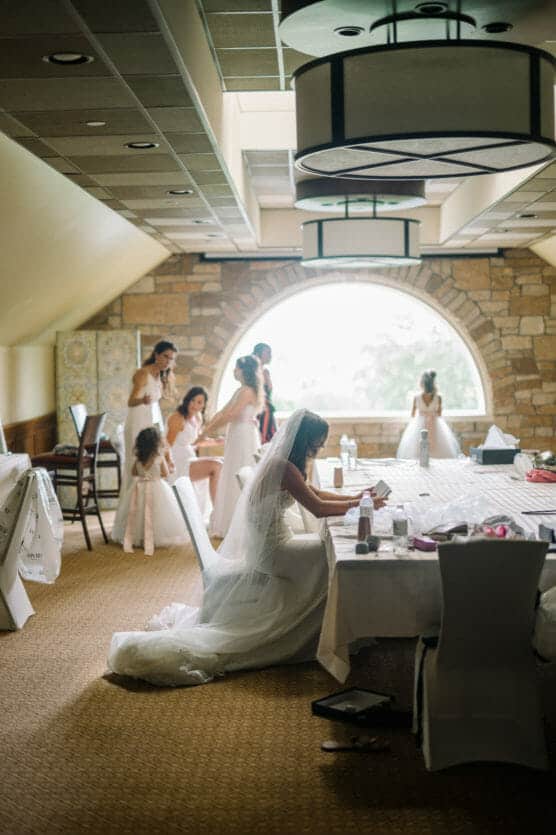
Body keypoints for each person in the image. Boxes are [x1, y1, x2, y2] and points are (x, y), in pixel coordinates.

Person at [107, 409, 386, 686]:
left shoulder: (287, 464)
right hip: (275, 551)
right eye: (318, 442)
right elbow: (317, 507)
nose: (321, 447)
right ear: (305, 440)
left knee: (329, 554)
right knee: (331, 558)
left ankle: (323, 634)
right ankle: (325, 638)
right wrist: (359, 505)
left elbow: (314, 492)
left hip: (272, 544)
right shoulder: (283, 467)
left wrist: (355, 496)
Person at [199, 355, 263, 538]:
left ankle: (239, 524)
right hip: (237, 434)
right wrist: (206, 429)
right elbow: (223, 411)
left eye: (236, 368)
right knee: (231, 471)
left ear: (244, 370)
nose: (234, 371)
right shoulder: (240, 390)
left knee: (239, 471)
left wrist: (207, 431)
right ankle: (228, 521)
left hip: (243, 436)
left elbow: (232, 414)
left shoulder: (247, 391)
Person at [111, 427, 187, 555]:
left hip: (140, 487)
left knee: (138, 512)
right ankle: (153, 537)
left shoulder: (139, 460)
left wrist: (143, 474)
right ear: (156, 444)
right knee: (156, 512)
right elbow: (165, 473)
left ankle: (139, 537)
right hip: (157, 487)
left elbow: (133, 472)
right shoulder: (159, 458)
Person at [121, 340, 178, 487]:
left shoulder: (160, 376)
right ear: (156, 354)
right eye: (165, 356)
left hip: (150, 423)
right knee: (136, 462)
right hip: (136, 423)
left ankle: (147, 501)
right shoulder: (142, 373)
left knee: (152, 461)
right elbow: (131, 401)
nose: (168, 361)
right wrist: (142, 401)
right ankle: (132, 503)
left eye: (171, 358)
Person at [166, 387, 222, 519]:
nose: (195, 405)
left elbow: (194, 442)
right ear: (187, 400)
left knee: (220, 462)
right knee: (216, 466)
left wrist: (215, 441)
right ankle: (218, 514)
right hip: (177, 461)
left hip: (189, 456)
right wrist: (168, 463)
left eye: (199, 402)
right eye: (192, 400)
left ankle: (218, 510)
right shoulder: (178, 418)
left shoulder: (197, 417)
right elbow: (167, 445)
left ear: (203, 405)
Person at [396, 370, 460, 459]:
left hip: (419, 424)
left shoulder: (416, 397)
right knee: (439, 447)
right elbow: (439, 414)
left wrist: (423, 412)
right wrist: (431, 412)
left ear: (422, 384)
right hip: (435, 424)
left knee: (417, 447)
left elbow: (413, 414)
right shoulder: (438, 397)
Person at [253, 343, 277, 443]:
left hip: (267, 411)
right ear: (259, 353)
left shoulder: (265, 371)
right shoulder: (254, 372)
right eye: (267, 352)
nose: (270, 356)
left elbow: (270, 391)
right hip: (261, 411)